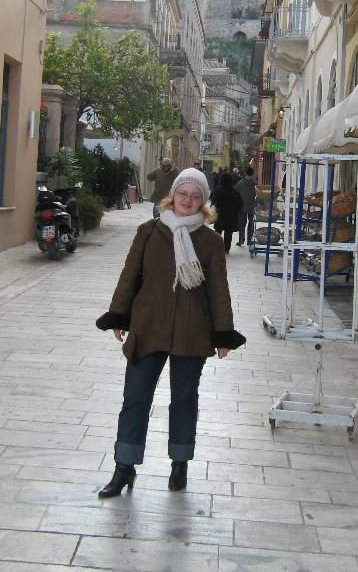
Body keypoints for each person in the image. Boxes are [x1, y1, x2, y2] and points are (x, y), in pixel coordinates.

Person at [95, 168, 245, 497]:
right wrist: (119, 314)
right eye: (182, 194)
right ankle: (124, 467)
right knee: (135, 398)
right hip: (148, 327)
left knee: (184, 400)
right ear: (172, 196)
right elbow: (130, 274)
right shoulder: (148, 232)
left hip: (192, 333)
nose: (187, 201)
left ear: (203, 201)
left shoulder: (210, 241)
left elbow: (219, 290)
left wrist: (223, 333)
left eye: (195, 196)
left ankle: (180, 463)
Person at [211, 172, 243, 254]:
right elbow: (240, 204)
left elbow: (213, 201)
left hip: (220, 215)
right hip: (231, 216)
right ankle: (226, 249)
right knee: (228, 233)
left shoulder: (217, 190)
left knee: (218, 232)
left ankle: (216, 247)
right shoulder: (235, 192)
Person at [235, 166, 256, 247]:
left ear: (245, 173)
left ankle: (241, 240)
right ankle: (249, 240)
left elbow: (236, 195)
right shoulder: (254, 184)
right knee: (251, 224)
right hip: (251, 206)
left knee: (242, 224)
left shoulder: (240, 183)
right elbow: (256, 194)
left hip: (242, 207)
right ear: (253, 174)